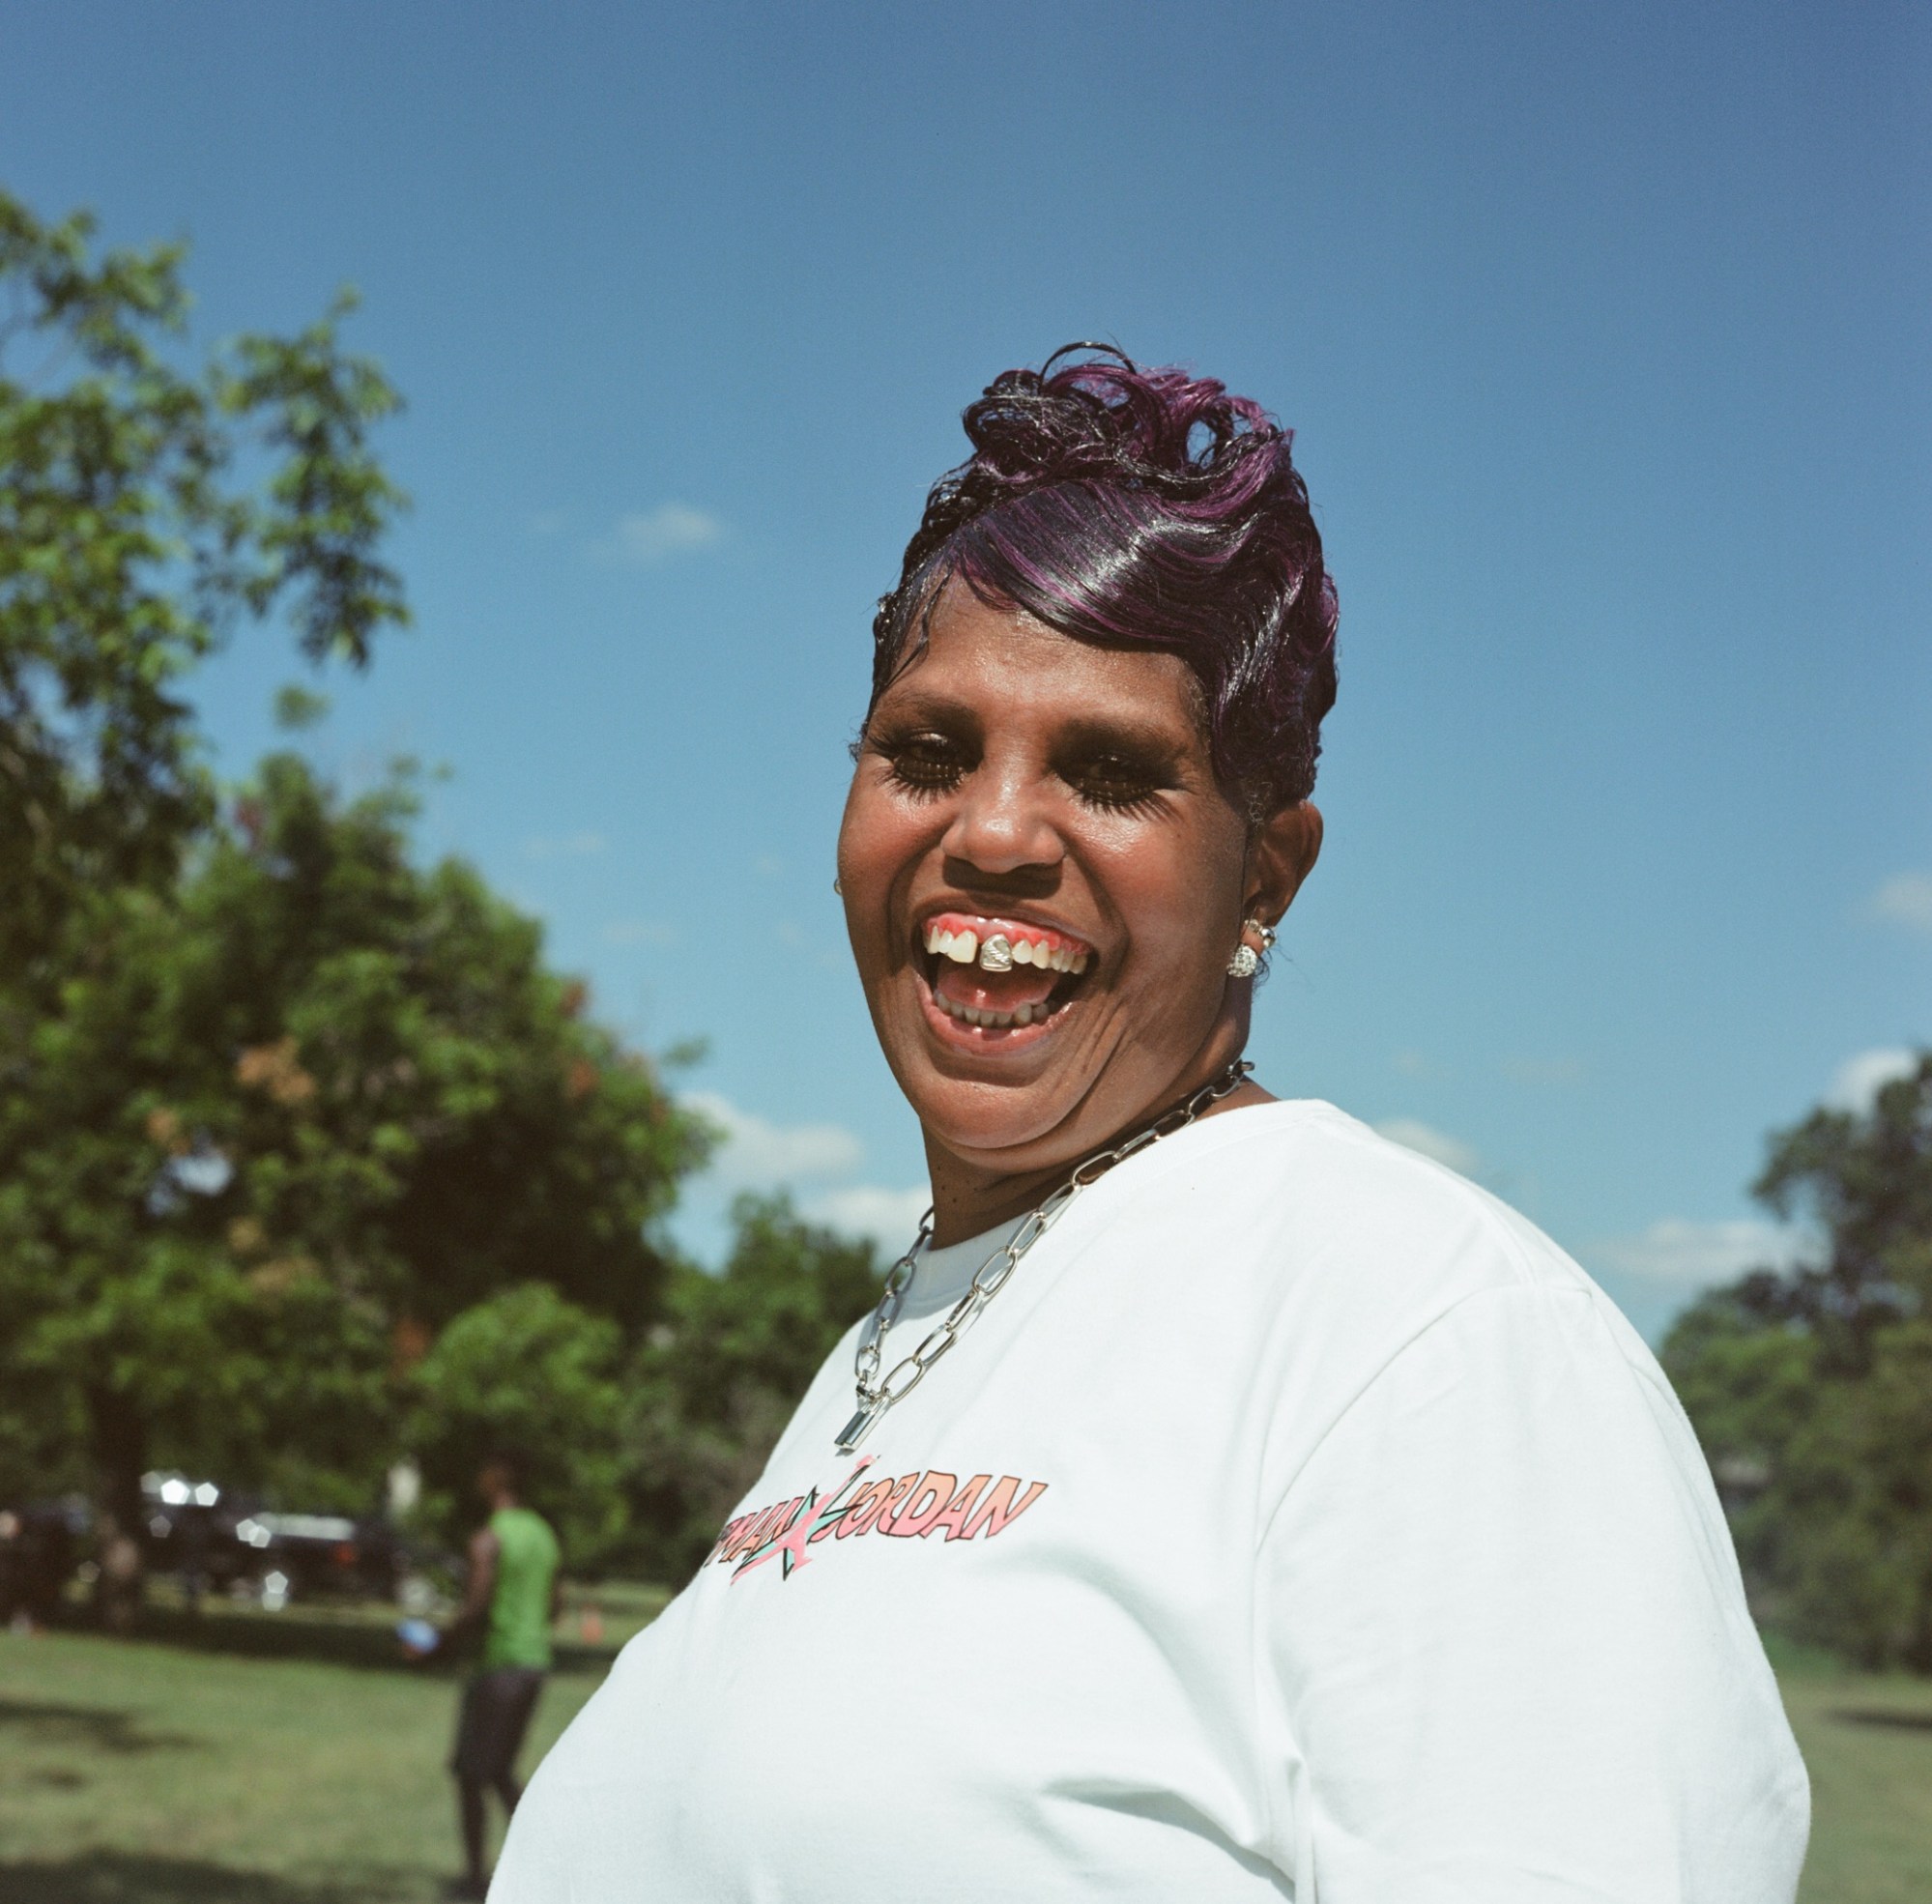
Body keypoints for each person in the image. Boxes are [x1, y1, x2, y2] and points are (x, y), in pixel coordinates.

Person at [495, 348, 1809, 1900]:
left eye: (1110, 771)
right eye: (924, 751)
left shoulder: (1427, 1339)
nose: (987, 833)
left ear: (1264, 876)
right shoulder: (914, 1331)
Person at [444, 1454, 560, 1901]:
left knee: (472, 1773)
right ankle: (541, 1869)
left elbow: (474, 1608)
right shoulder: (545, 1535)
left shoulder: (490, 1539)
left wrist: (436, 1646)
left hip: (500, 1665)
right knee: (498, 1772)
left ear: (492, 1482)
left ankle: (476, 1880)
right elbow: (554, 1607)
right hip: (534, 1664)